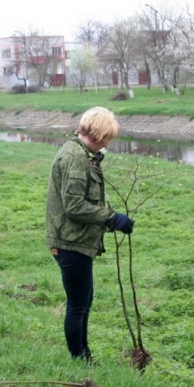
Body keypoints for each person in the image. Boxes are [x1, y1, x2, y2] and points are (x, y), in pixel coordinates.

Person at [45, 107, 134, 361]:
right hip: (70, 241)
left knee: (84, 301)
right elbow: (73, 206)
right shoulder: (75, 158)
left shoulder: (84, 155)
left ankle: (84, 355)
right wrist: (111, 218)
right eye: (107, 138)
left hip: (77, 240)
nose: (107, 143)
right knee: (77, 305)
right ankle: (80, 359)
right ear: (97, 133)